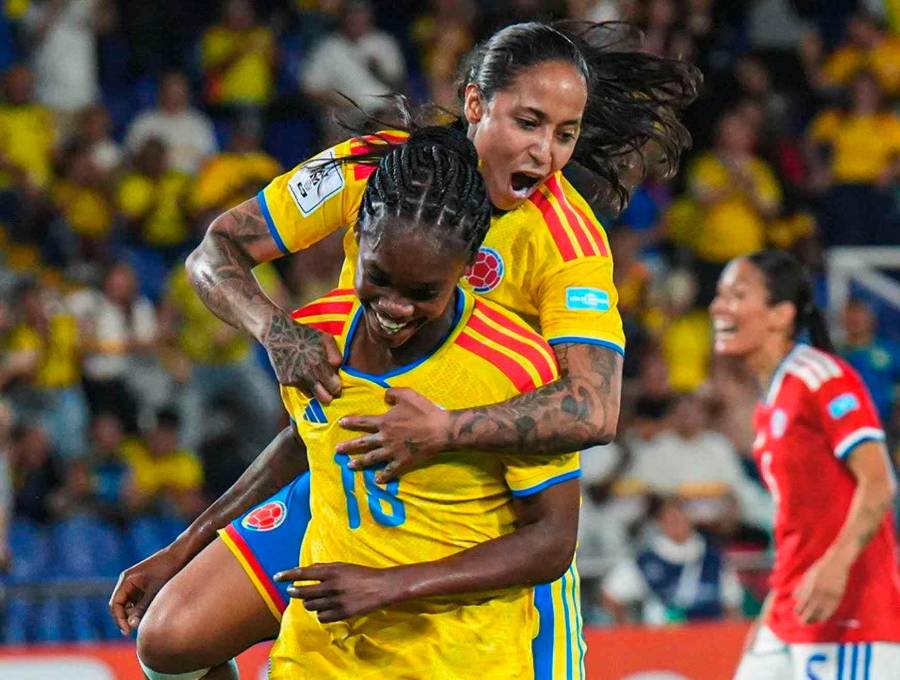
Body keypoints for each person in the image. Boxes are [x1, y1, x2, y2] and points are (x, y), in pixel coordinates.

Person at [112, 19, 699, 679]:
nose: (544, 153)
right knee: (170, 638)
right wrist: (276, 330)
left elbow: (595, 408)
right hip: (352, 486)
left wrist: (444, 431)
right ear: (476, 103)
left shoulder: (565, 239)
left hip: (488, 515)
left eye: (565, 134)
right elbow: (215, 251)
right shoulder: (372, 167)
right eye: (529, 123)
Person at [133, 127, 580, 680]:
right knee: (166, 644)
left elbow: (554, 540)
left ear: (467, 269)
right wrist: (183, 548)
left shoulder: (516, 366)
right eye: (381, 279)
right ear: (356, 238)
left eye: (423, 293)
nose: (394, 307)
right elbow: (308, 440)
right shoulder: (315, 333)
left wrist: (390, 586)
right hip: (322, 652)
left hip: (457, 656)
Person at [710, 251, 900, 679]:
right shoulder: (770, 405)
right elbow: (798, 528)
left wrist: (835, 566)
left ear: (780, 314)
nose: (718, 307)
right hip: (790, 613)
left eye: (737, 295)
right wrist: (768, 615)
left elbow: (879, 482)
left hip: (850, 618)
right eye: (719, 295)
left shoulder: (821, 378)